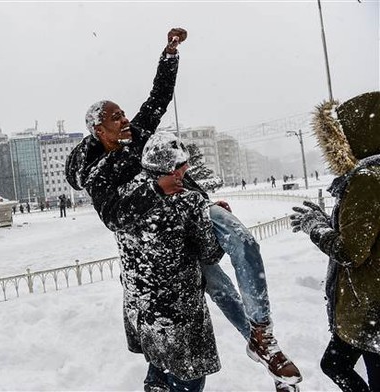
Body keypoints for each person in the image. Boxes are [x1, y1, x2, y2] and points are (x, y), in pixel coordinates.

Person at [65, 28, 302, 390]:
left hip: (187, 219)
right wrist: (157, 189)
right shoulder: (100, 172)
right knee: (216, 286)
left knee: (233, 259)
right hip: (163, 250)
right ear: (98, 129)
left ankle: (261, 338)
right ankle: (258, 342)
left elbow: (158, 99)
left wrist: (169, 55)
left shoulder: (137, 137)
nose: (125, 119)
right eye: (116, 117)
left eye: (124, 113)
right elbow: (115, 217)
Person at [117, 132, 224, 390]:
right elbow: (211, 253)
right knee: (187, 378)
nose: (187, 168)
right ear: (174, 168)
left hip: (141, 309)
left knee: (159, 369)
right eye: (183, 163)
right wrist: (214, 221)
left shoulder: (127, 195)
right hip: (180, 313)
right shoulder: (187, 201)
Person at [290, 91, 379, 391]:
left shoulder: (368, 178)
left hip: (370, 309)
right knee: (335, 364)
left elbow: (350, 251)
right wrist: (327, 221)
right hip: (369, 306)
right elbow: (367, 233)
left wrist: (315, 227)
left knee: (338, 366)